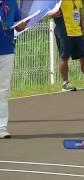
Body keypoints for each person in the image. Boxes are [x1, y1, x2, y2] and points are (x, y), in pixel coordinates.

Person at [48, 0, 84, 92]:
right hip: (64, 30)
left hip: (77, 31)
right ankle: (65, 83)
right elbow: (48, 12)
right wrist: (52, 14)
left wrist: (82, 30)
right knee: (64, 57)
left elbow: (79, 13)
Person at [0, 0, 26, 138]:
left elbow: (19, 23)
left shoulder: (11, 2)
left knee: (3, 90)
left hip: (6, 50)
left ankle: (1, 127)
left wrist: (21, 24)